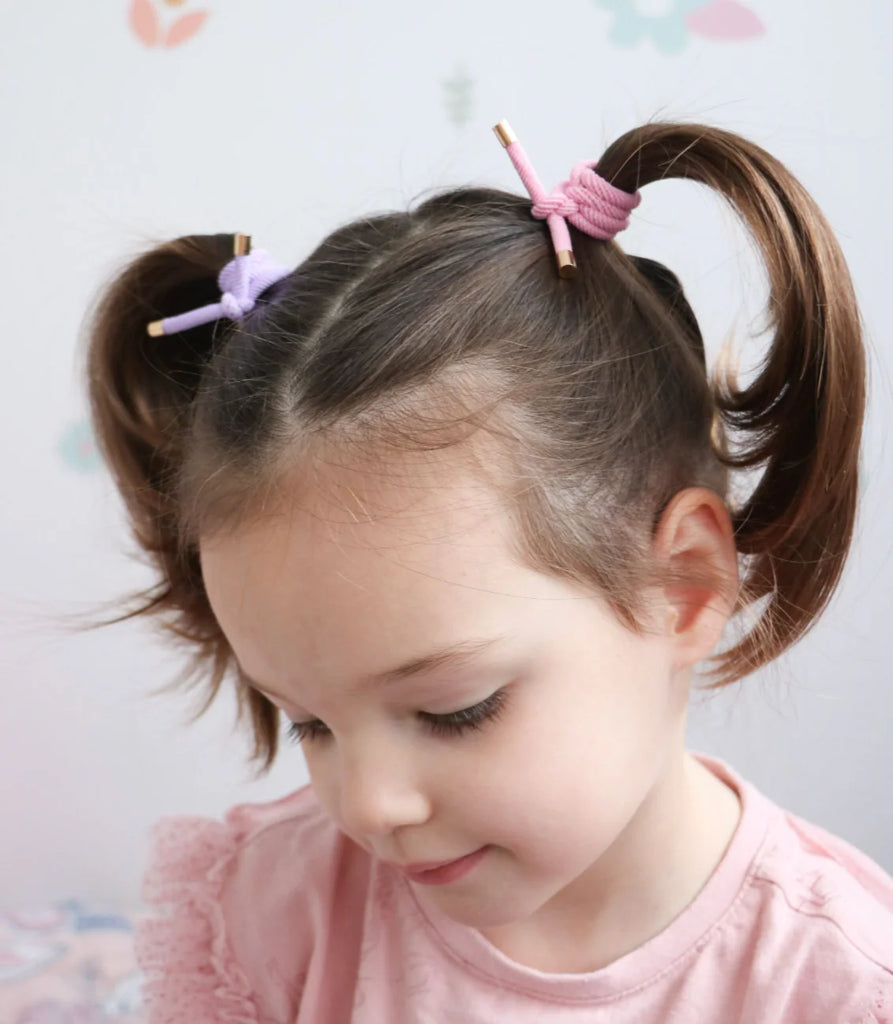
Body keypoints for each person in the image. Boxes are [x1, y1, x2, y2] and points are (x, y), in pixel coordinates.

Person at [84, 118, 893, 1022]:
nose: (371, 804)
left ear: (683, 584)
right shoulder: (273, 914)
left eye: (453, 710)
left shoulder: (836, 986)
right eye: (309, 723)